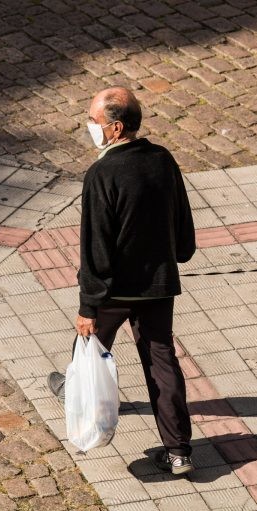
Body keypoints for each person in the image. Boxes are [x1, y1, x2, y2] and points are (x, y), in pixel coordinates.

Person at [47, 87, 196, 475]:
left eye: (93, 121)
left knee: (88, 347)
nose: (89, 127)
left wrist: (87, 305)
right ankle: (179, 451)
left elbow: (95, 246)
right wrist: (175, 255)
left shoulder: (101, 174)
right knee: (162, 362)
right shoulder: (162, 159)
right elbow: (182, 224)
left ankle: (79, 399)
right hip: (159, 285)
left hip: (114, 290)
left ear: (114, 128)